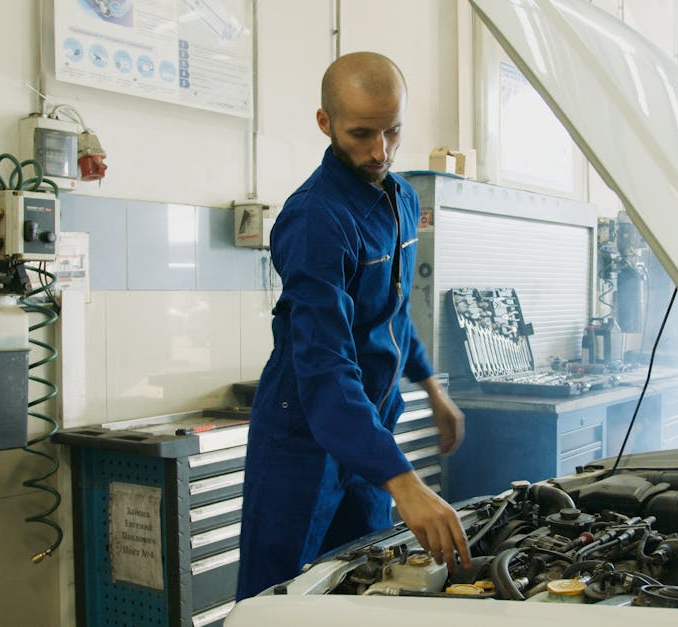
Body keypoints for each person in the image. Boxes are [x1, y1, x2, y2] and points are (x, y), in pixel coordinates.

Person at [236, 52, 471, 600]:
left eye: (393, 132)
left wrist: (432, 388)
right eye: (362, 133)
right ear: (325, 123)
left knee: (365, 590)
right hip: (304, 436)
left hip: (369, 434)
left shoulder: (403, 199)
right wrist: (404, 481)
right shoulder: (316, 219)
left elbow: (389, 315)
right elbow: (324, 367)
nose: (380, 151)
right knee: (281, 599)